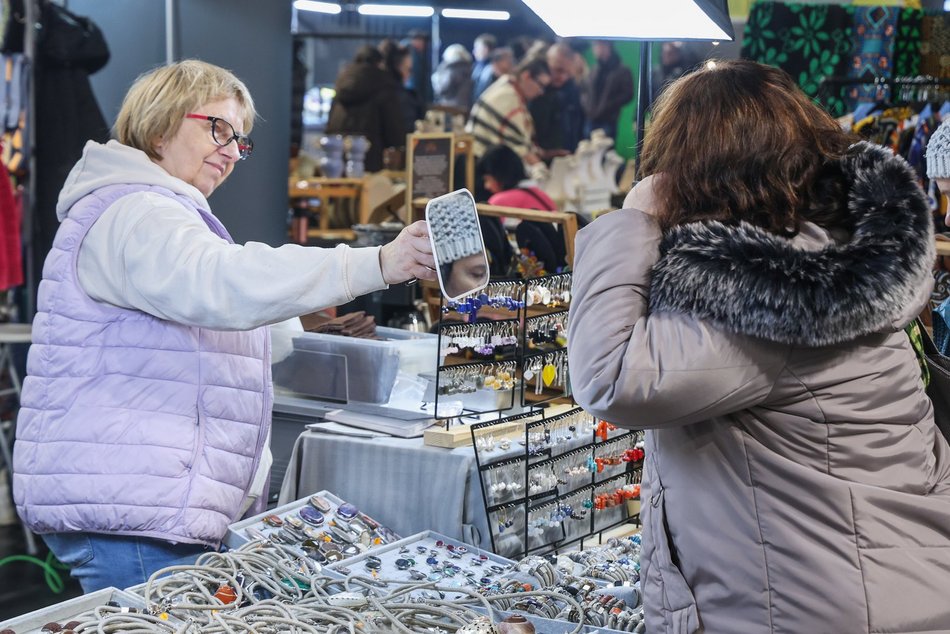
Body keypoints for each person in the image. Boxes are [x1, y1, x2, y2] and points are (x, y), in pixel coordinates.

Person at [12, 59, 436, 593]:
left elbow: (222, 320)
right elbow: (221, 281)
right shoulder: (135, 213)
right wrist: (371, 265)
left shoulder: (158, 214)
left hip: (149, 510)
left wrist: (303, 324)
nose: (233, 150)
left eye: (241, 140)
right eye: (218, 128)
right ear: (162, 124)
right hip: (136, 514)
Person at [568, 59, 950, 633]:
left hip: (816, 604)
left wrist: (635, 220)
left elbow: (612, 375)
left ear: (688, 169)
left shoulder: (763, 293)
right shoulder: (834, 252)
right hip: (886, 580)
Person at [325, 45, 405, 172]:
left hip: (338, 152)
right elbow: (393, 125)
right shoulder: (383, 82)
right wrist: (398, 143)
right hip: (369, 153)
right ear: (379, 63)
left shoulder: (343, 80)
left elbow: (330, 121)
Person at [467, 55, 550, 170]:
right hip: (483, 170)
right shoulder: (508, 99)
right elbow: (522, 152)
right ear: (526, 76)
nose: (541, 92)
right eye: (540, 85)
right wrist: (544, 172)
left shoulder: (507, 86)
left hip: (482, 163)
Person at [530, 42, 584, 155]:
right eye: (558, 70)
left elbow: (576, 126)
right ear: (547, 62)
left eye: (568, 73)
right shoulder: (532, 88)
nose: (562, 77)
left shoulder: (572, 90)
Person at [581, 40, 632, 140]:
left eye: (597, 46)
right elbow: (585, 91)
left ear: (607, 46)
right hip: (590, 119)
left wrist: (609, 105)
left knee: (606, 152)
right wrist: (587, 107)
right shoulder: (594, 70)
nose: (594, 50)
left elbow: (628, 94)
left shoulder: (622, 70)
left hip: (608, 120)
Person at [379, 38, 423, 137]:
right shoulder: (403, 99)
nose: (410, 75)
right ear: (398, 69)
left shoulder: (371, 89)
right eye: (408, 69)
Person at [431, 43, 474, 111]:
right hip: (465, 105)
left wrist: (435, 78)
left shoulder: (451, 70)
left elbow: (442, 89)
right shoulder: (468, 68)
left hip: (450, 107)